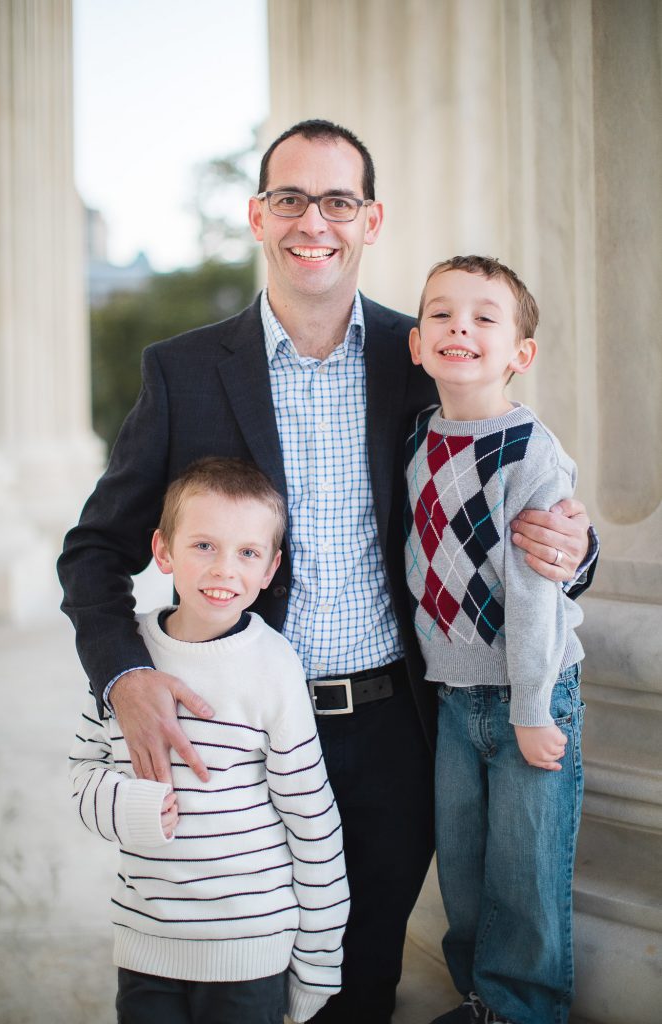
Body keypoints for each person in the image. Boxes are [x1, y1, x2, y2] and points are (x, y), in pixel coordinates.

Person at [58, 120, 595, 1024]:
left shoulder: (420, 353)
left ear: (370, 219)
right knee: (242, 990)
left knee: (359, 987)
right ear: (257, 216)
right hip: (239, 743)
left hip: (393, 732)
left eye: (338, 200)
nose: (316, 221)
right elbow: (93, 552)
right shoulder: (183, 372)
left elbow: (514, 487)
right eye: (291, 198)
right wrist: (124, 676)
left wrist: (570, 553)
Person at [69, 457, 349, 1024]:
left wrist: (317, 962)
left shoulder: (274, 667)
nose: (224, 570)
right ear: (163, 550)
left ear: (270, 568)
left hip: (251, 950)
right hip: (146, 942)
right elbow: (81, 774)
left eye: (247, 553)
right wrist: (131, 805)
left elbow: (312, 821)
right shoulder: (125, 657)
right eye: (203, 546)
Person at [405, 255, 587, 1024]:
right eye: (442, 314)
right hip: (454, 696)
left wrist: (533, 706)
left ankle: (523, 1011)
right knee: (468, 870)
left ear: (520, 351)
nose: (460, 328)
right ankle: (481, 1002)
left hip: (531, 693)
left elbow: (537, 595)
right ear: (416, 344)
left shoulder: (530, 453)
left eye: (484, 317)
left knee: (526, 871)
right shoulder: (421, 437)